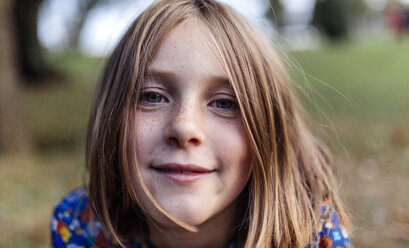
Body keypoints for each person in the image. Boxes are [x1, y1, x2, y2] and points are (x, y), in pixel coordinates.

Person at [50, 0, 353, 247]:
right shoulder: (81, 226)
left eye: (224, 103)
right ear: (111, 118)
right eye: (153, 97)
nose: (185, 128)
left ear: (268, 130)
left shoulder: (311, 236)